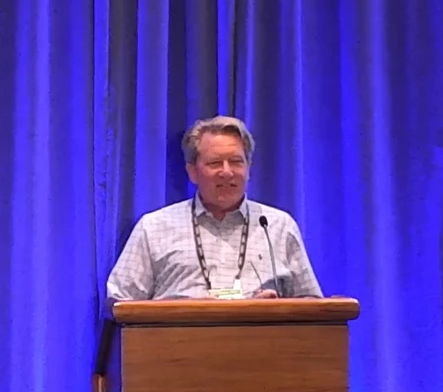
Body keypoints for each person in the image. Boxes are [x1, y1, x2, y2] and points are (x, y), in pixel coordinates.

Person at [105, 115, 323, 304]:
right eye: (215, 163)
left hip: (261, 338)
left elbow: (311, 302)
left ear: (248, 169)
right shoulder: (153, 227)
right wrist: (185, 309)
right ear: (192, 172)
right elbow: (119, 301)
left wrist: (274, 309)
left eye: (236, 162)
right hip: (179, 339)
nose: (227, 172)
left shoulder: (278, 225)